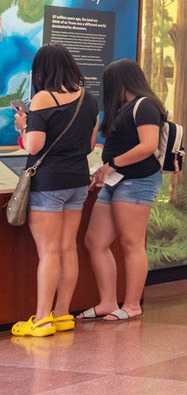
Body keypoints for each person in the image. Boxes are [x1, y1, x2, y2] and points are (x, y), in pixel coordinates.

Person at [9, 44, 98, 337]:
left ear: (42, 70)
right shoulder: (88, 99)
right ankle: (62, 315)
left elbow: (34, 146)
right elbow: (89, 145)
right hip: (77, 181)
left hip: (48, 183)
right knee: (67, 248)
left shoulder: (43, 98)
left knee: (48, 251)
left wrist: (23, 126)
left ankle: (42, 320)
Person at [79, 58, 166, 322]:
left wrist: (113, 164)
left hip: (138, 181)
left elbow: (148, 145)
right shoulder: (123, 108)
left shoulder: (145, 106)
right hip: (115, 180)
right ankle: (107, 302)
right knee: (95, 241)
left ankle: (132, 305)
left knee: (131, 243)